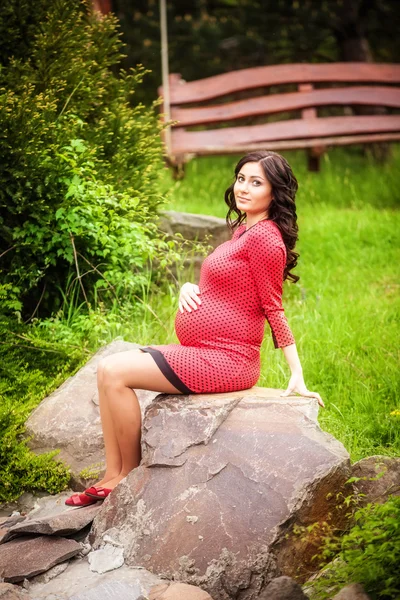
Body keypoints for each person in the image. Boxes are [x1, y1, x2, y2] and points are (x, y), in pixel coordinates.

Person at [65, 150, 323, 507]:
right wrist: (190, 288)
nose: (243, 188)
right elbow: (226, 285)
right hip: (205, 351)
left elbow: (273, 306)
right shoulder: (242, 230)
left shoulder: (265, 237)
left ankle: (126, 477)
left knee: (115, 371)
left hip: (227, 360)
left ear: (274, 192)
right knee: (108, 371)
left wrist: (297, 374)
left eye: (256, 182)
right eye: (240, 178)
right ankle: (112, 475)